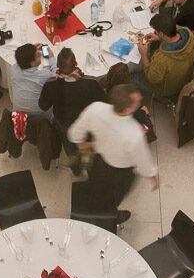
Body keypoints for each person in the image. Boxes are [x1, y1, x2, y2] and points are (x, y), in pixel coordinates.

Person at [67, 84, 159, 224]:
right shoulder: (134, 133)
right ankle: (108, 216)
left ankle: (95, 210)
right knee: (113, 197)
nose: (141, 97)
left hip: (97, 161)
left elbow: (74, 133)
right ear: (127, 109)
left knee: (95, 187)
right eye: (137, 101)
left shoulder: (95, 108)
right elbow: (142, 161)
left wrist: (83, 144)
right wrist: (153, 176)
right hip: (121, 173)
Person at [39, 49, 107, 164]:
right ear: (76, 63)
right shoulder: (91, 82)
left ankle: (76, 167)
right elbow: (104, 103)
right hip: (87, 124)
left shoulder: (51, 84)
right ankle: (89, 162)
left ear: (57, 65)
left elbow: (43, 106)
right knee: (88, 149)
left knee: (70, 150)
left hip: (64, 124)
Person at [140, 13, 194, 100]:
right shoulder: (188, 33)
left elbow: (152, 78)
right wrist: (159, 38)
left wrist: (143, 54)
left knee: (134, 76)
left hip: (167, 90)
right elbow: (173, 39)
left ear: (162, 33)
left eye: (156, 32)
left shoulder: (163, 59)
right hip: (185, 77)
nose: (155, 33)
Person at [10, 43, 55, 118]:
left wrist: (30, 50)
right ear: (32, 63)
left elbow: (20, 58)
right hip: (39, 118)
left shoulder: (13, 69)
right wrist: (51, 57)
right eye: (37, 56)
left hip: (18, 116)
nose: (40, 54)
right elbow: (55, 74)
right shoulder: (44, 76)